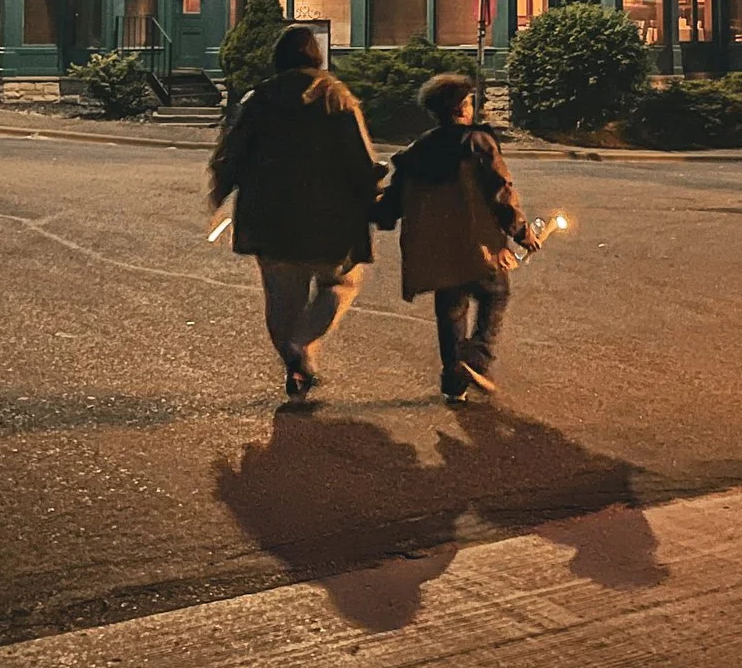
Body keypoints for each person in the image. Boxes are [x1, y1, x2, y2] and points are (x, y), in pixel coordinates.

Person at [209, 24, 387, 404]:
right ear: (316, 57)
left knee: (280, 297)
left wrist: (219, 192)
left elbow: (232, 154)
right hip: (331, 220)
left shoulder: (258, 100)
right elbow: (360, 160)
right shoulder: (336, 98)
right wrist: (374, 192)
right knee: (340, 283)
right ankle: (302, 345)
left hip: (269, 218)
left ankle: (292, 358)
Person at [382, 71, 540, 403]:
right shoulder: (477, 142)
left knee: (451, 308)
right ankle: (477, 360)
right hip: (477, 245)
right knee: (495, 293)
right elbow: (500, 192)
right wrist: (522, 232)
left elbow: (393, 203)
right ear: (461, 107)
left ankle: (454, 382)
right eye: (469, 102)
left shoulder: (417, 151)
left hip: (437, 251)